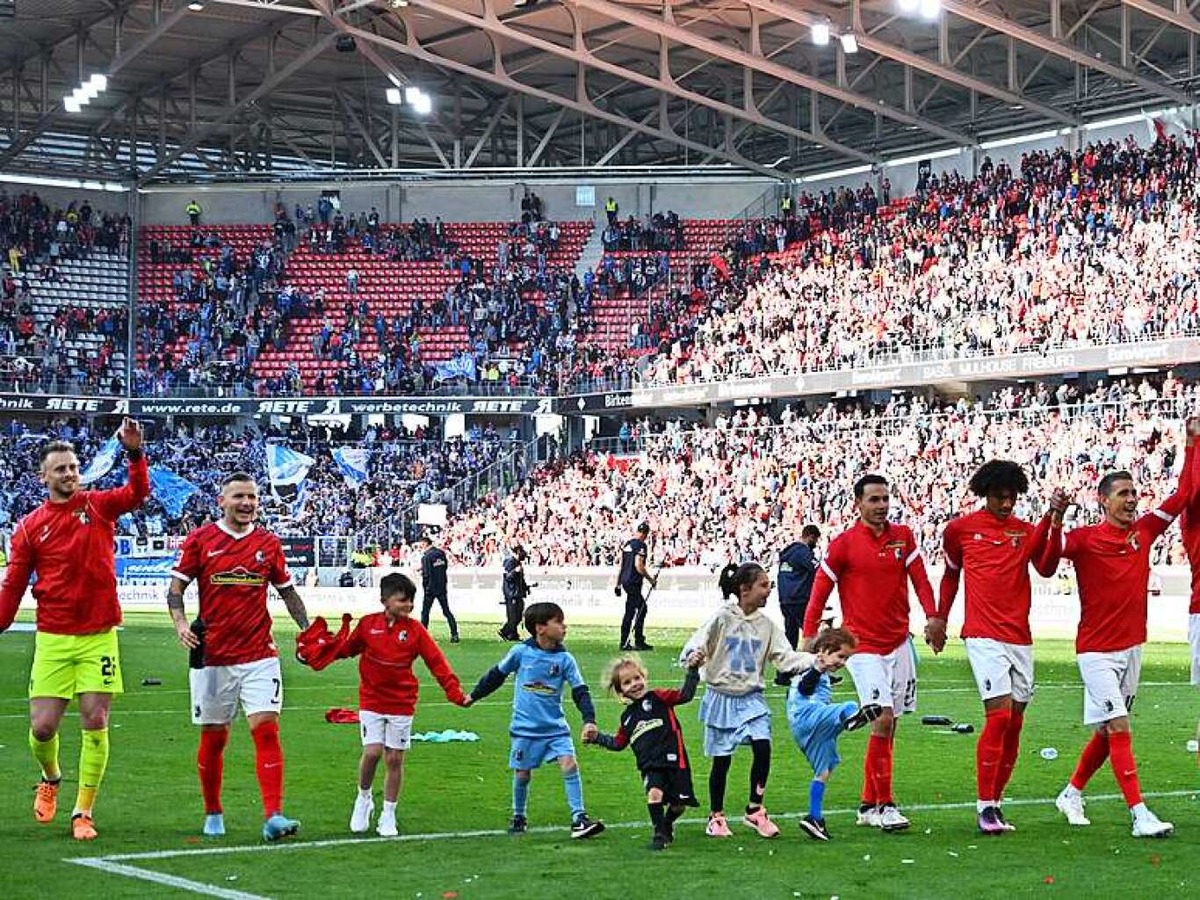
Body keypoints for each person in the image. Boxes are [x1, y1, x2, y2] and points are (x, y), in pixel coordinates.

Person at [1041, 421, 1200, 838]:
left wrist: (1191, 443)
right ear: (1103, 501)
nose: (1132, 500)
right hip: (1095, 651)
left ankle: (1071, 792)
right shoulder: (1084, 538)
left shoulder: (1144, 532)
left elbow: (1183, 496)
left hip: (1132, 648)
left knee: (1107, 729)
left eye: (1134, 493)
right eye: (1123, 494)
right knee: (1119, 726)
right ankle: (1139, 814)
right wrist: (1055, 516)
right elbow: (1045, 561)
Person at [0, 419, 149, 841]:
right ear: (43, 476)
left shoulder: (98, 506)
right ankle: (51, 777)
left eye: (73, 467)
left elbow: (137, 494)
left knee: (95, 718)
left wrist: (134, 453)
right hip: (52, 638)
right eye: (60, 468)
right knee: (43, 727)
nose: (69, 473)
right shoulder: (29, 527)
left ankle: (83, 812)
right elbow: (12, 586)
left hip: (99, 635)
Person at [166, 471, 312, 842]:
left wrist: (307, 629)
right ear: (222, 501)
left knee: (266, 728)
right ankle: (213, 811)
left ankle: (273, 815)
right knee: (215, 738)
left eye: (252, 497)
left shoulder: (268, 543)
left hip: (259, 653)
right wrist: (181, 623)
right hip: (213, 656)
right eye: (239, 497)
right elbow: (175, 591)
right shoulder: (201, 540)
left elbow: (289, 593)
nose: (247, 504)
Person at [803, 473, 939, 832]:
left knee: (889, 725)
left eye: (885, 499)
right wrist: (808, 633)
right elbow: (821, 587)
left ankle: (867, 804)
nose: (881, 506)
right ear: (858, 504)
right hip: (862, 648)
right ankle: (885, 805)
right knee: (881, 718)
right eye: (874, 500)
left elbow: (921, 578)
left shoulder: (904, 537)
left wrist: (933, 617)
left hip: (899, 642)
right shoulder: (844, 544)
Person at [937, 460, 1064, 834]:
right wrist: (940, 618)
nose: (1006, 504)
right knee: (1000, 716)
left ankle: (996, 801)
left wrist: (1054, 521)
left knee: (1016, 722)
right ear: (984, 494)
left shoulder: (1025, 531)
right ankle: (984, 805)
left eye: (1011, 498)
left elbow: (1047, 566)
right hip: (982, 634)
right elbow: (950, 575)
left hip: (1019, 637)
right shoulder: (959, 530)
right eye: (999, 497)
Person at [680, 562, 815, 840]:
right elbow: (695, 645)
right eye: (763, 585)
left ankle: (755, 809)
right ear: (744, 589)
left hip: (752, 698)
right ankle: (715, 816)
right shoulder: (721, 618)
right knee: (722, 760)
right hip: (721, 698)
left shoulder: (767, 626)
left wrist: (816, 661)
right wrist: (693, 657)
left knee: (762, 747)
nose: (769, 590)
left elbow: (786, 659)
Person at [335, 572, 468, 837]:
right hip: (371, 699)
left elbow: (437, 662)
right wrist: (320, 651)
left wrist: (454, 692)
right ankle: (363, 799)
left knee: (394, 758)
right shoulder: (367, 624)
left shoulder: (416, 630)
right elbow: (347, 649)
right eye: (402, 600)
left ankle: (388, 813)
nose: (408, 606)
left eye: (411, 601)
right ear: (385, 600)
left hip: (401, 702)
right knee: (372, 752)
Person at [467, 601, 605, 839]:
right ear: (540, 628)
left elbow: (580, 690)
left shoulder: (565, 659)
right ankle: (519, 815)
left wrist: (589, 719)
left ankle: (579, 818)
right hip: (525, 730)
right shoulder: (520, 652)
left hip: (555, 729)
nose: (565, 627)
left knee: (570, 764)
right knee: (522, 774)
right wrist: (473, 696)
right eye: (559, 622)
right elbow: (496, 675)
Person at [585, 653, 703, 850]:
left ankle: (666, 824)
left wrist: (693, 670)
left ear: (644, 677)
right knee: (654, 794)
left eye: (637, 678)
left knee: (678, 805)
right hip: (651, 767)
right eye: (627, 682)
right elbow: (618, 743)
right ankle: (659, 835)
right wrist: (597, 737)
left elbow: (685, 695)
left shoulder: (658, 697)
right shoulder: (627, 718)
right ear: (621, 691)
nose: (635, 684)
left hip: (675, 762)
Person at [786, 627, 882, 842]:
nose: (843, 662)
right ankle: (851, 719)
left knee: (824, 770)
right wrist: (818, 669)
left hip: (807, 731)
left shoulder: (822, 669)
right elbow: (804, 688)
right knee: (847, 706)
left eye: (846, 658)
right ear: (822, 651)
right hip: (808, 716)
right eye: (840, 656)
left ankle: (814, 818)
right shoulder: (812, 666)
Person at [774, 525, 821, 686]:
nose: (816, 543)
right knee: (812, 636)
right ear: (810, 537)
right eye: (815, 539)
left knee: (790, 637)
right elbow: (819, 569)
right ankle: (818, 672)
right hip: (800, 598)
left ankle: (783, 674)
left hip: (786, 599)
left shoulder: (788, 553)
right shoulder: (803, 552)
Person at [616, 522, 655, 652]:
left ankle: (627, 640)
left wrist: (618, 583)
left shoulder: (628, 544)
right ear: (646, 534)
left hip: (626, 581)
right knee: (640, 610)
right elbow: (639, 565)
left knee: (632, 610)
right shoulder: (641, 545)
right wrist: (651, 580)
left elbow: (622, 566)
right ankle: (636, 641)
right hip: (633, 582)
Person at [416, 533, 458, 643]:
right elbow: (444, 567)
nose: (420, 547)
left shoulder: (426, 557)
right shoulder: (441, 553)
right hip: (442, 586)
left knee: (425, 612)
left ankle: (422, 636)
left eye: (421, 545)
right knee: (447, 611)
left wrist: (426, 587)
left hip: (431, 587)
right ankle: (454, 634)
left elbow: (426, 574)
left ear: (425, 544)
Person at [499, 543, 530, 641]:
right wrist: (515, 571)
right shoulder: (510, 562)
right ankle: (506, 632)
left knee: (518, 616)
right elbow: (507, 577)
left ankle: (511, 634)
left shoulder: (517, 563)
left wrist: (525, 588)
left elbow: (520, 579)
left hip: (517, 593)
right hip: (512, 594)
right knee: (513, 617)